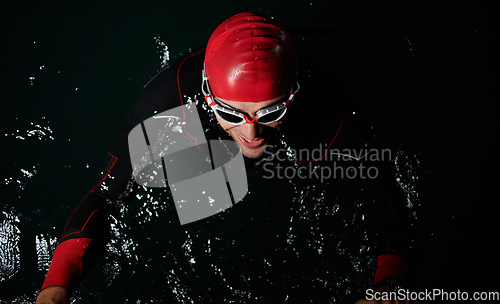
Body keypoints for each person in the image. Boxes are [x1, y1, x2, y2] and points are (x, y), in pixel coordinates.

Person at [36, 12, 412, 303]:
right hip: (199, 136)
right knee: (199, 186)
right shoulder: (169, 98)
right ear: (209, 97)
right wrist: (53, 291)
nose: (251, 133)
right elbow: (104, 196)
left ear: (292, 97)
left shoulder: (330, 114)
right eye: (233, 115)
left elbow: (383, 201)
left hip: (299, 143)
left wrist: (388, 287)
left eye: (270, 113)